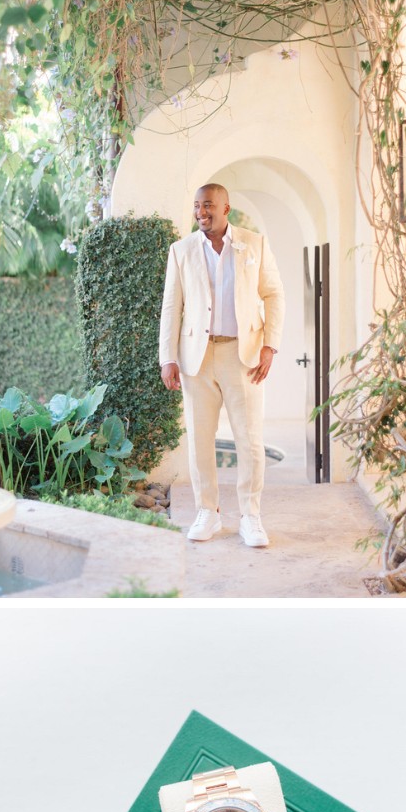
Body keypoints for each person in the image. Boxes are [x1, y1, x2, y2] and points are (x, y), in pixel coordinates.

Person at [158, 183, 284, 547]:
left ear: (226, 207)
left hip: (242, 356)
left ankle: (251, 517)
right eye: (197, 206)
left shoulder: (253, 244)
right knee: (199, 440)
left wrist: (270, 347)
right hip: (196, 359)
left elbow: (274, 295)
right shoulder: (181, 251)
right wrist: (168, 357)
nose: (201, 212)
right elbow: (172, 306)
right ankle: (207, 513)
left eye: (208, 205)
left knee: (250, 441)